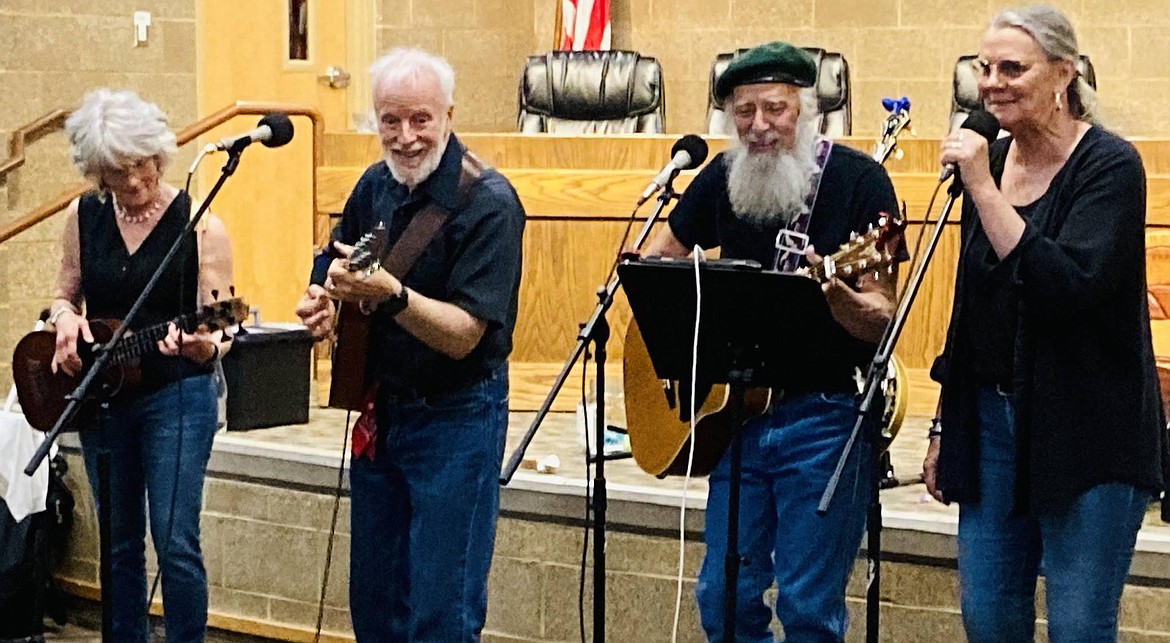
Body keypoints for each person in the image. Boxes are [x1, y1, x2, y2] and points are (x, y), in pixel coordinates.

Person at [643, 41, 901, 642]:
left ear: (807, 109)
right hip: (733, 420)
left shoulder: (861, 183)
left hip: (826, 417)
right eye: (744, 111)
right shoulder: (722, 177)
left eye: (775, 109)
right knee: (721, 595)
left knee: (809, 606)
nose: (759, 127)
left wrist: (836, 295)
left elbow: (883, 316)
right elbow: (659, 266)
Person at [922, 5, 1166, 641]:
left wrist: (982, 186)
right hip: (993, 426)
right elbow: (969, 309)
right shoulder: (990, 166)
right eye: (984, 69)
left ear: (1063, 75)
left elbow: (1067, 284)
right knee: (988, 618)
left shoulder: (1110, 166)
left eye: (1013, 68)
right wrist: (945, 422)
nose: (993, 82)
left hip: (1088, 431)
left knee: (1079, 627)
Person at [294, 48, 525, 642]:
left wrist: (391, 294)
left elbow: (464, 336)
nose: (404, 137)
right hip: (383, 414)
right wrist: (323, 296)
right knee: (374, 604)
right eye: (389, 121)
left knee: (440, 612)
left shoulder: (489, 204)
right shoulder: (376, 184)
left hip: (456, 419)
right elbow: (342, 257)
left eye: (420, 119)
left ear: (449, 114)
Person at [50, 89, 234, 642]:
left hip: (177, 395)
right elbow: (63, 295)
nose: (132, 181)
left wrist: (206, 347)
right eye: (115, 172)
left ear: (159, 152)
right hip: (105, 397)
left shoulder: (201, 225)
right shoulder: (82, 217)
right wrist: (62, 320)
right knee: (118, 544)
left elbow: (224, 326)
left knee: (176, 542)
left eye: (140, 164)